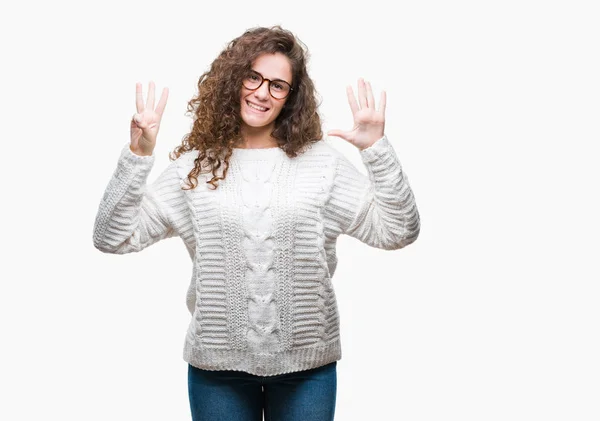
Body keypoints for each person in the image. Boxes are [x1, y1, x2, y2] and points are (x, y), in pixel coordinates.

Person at [93, 25, 420, 421]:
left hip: (307, 368)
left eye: (278, 85)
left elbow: (398, 230)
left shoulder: (321, 164)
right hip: (217, 370)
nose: (263, 92)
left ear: (290, 98)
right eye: (253, 77)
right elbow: (112, 237)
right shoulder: (194, 167)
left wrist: (375, 150)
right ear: (234, 79)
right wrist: (138, 153)